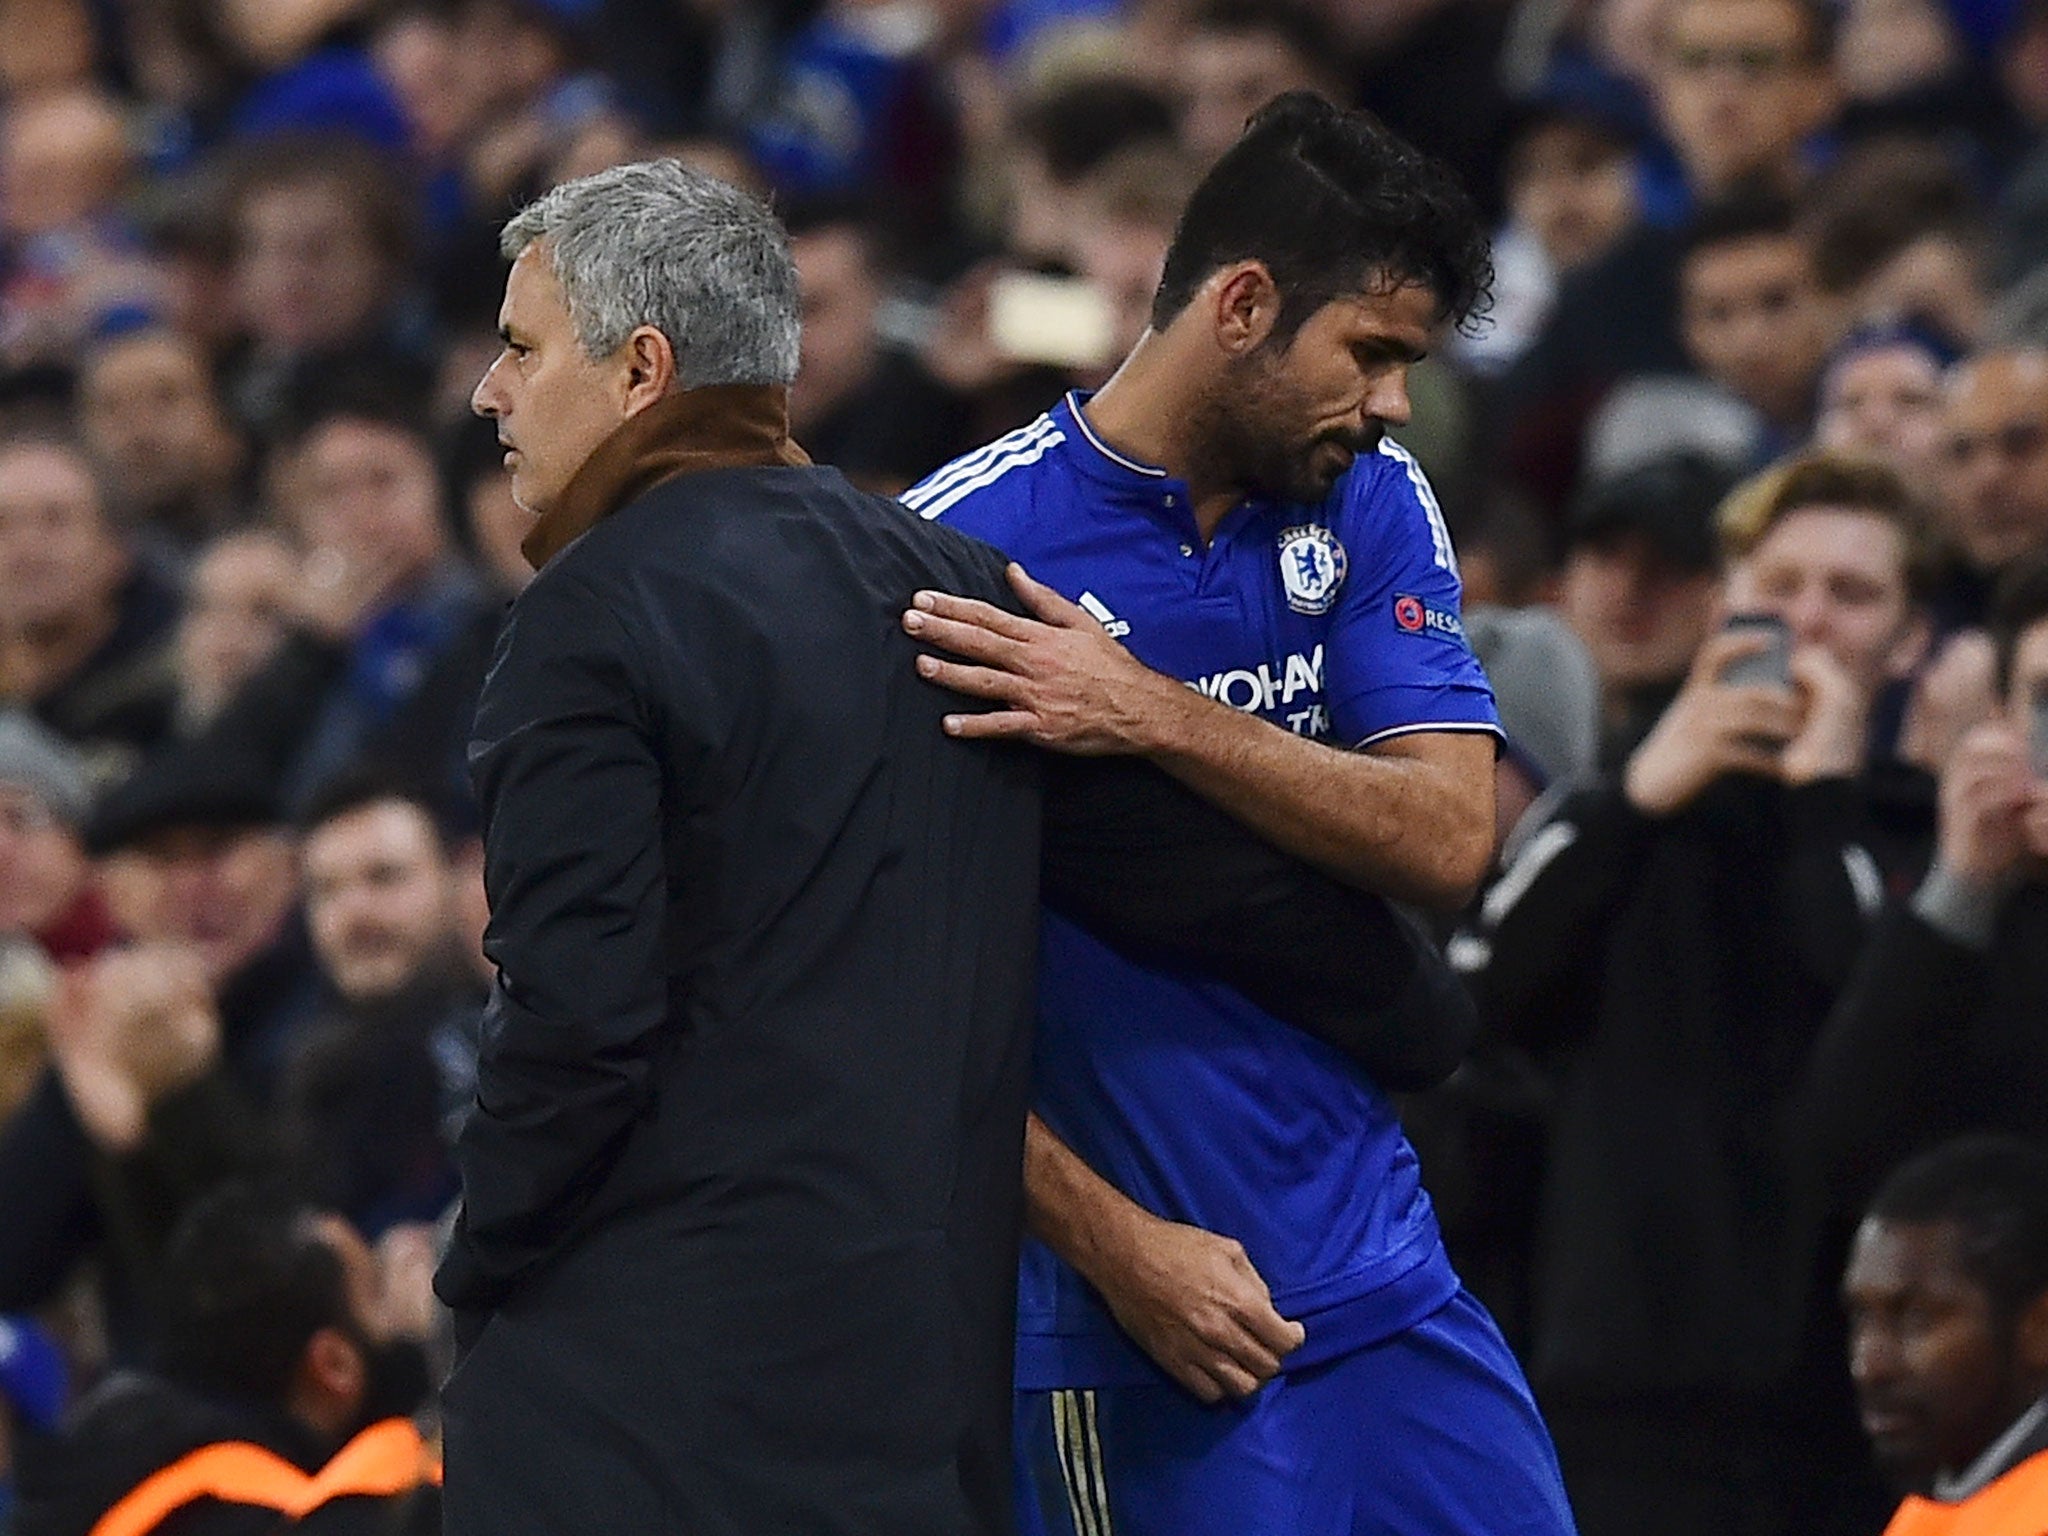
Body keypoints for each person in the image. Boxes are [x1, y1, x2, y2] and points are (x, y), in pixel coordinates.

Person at [435, 155, 1464, 1536]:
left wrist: (480, 1253)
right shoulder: (952, 587)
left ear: (641, 371)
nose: (488, 391)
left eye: (518, 348)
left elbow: (578, 1018)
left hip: (651, 1394)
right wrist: (1420, 1014)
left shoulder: (588, 621)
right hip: (927, 1391)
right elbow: (1205, 884)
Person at [902, 93, 1575, 1536]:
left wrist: (1143, 709)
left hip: (1387, 1275)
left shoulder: (1370, 499)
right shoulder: (958, 550)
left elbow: (1448, 840)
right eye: (1372, 353)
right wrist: (1118, 1251)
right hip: (1127, 1330)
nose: (1393, 401)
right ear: (1246, 305)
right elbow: (867, 995)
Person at [1474, 452, 1938, 1536]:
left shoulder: (1915, 833)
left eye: (1852, 594)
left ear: (1910, 640)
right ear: (1731, 600)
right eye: (1780, 587)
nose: (1809, 620)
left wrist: (1821, 798)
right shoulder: (1627, 802)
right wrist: (1632, 801)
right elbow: (1481, 991)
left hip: (1839, 1397)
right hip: (1614, 1384)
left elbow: (1887, 1032)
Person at [13, 1184, 439, 1536]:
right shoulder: (248, 1515)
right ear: (334, 1365)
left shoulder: (115, 1455)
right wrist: (440, 1348)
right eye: (379, 1293)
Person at [1842, 1136, 2048, 1532]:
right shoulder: (1931, 1512)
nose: (1869, 1366)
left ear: (2039, 1329)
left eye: (1917, 1320)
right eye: (1861, 1317)